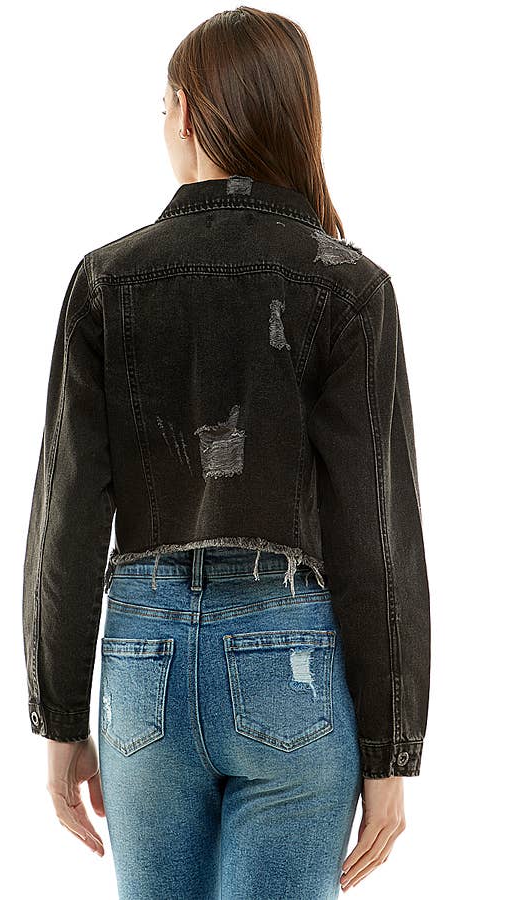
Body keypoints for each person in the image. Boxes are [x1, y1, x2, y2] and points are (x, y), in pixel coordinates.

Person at [22, 7, 431, 898]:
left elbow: (68, 515)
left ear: (186, 109)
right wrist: (391, 751)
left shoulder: (105, 281)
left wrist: (59, 720)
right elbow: (376, 532)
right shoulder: (350, 285)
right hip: (293, 661)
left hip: (142, 666)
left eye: (162, 102)